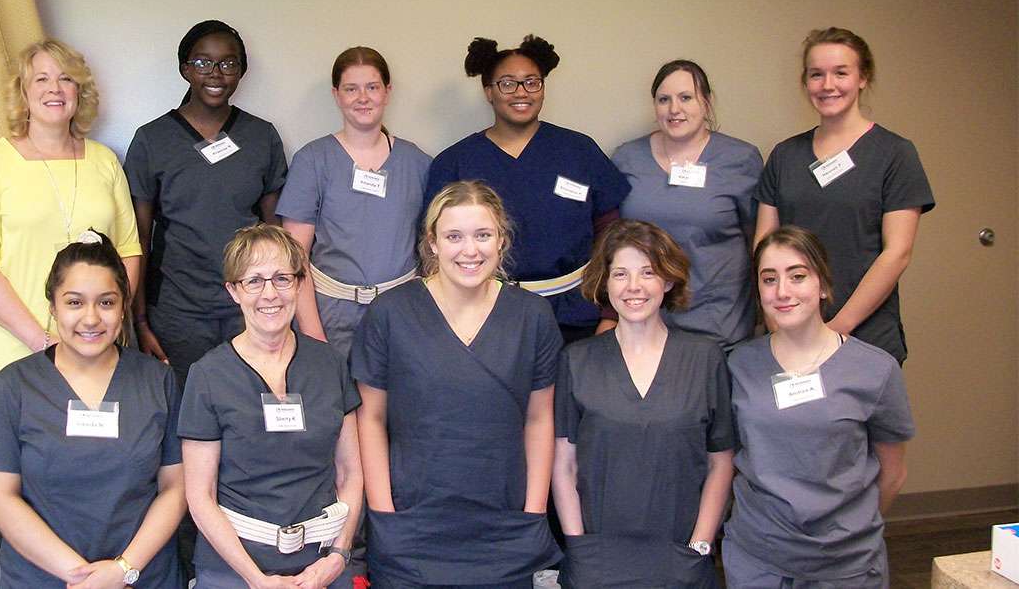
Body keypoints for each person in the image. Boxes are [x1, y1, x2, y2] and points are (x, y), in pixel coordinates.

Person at [353, 180, 562, 588]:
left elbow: (539, 419)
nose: (470, 250)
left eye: (483, 235)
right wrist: (383, 512)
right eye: (454, 236)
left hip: (506, 528)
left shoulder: (532, 317)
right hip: (412, 528)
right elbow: (371, 418)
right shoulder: (391, 314)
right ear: (431, 243)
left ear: (501, 240)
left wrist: (534, 510)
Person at [0, 230, 184, 588]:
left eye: (106, 302)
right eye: (74, 303)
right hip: (44, 578)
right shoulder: (14, 386)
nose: (90, 318)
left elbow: (176, 488)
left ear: (123, 306)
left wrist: (121, 570)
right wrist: (81, 576)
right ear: (52, 307)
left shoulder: (158, 381)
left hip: (141, 576)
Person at [723, 226, 913, 587]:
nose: (782, 291)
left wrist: (847, 531)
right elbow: (725, 460)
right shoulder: (738, 366)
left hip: (845, 564)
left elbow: (893, 473)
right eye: (769, 279)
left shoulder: (875, 370)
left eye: (798, 276)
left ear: (823, 285)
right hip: (759, 558)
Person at [178, 224, 362, 589]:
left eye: (282, 278)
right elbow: (200, 495)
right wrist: (257, 580)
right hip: (235, 567)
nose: (270, 294)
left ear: (299, 283)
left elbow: (350, 473)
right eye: (254, 281)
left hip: (322, 562)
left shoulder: (330, 365)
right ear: (233, 291)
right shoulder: (208, 375)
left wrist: (338, 557)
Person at [552, 220, 733, 588]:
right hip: (597, 558)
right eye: (620, 273)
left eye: (647, 272)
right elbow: (564, 464)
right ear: (605, 283)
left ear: (668, 281)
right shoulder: (577, 360)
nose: (633, 286)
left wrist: (700, 544)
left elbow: (721, 462)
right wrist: (578, 545)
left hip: (680, 555)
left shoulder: (705, 358)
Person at [0, 39, 142, 399]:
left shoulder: (104, 161)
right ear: (23, 93)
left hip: (96, 350)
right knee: (24, 456)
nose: (54, 89)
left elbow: (129, 251)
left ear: (79, 91)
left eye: (65, 79)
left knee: (96, 454)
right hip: (11, 353)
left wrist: (107, 326)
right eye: (41, 79)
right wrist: (45, 343)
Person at [425, 35, 630, 343]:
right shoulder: (456, 162)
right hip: (485, 316)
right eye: (508, 83)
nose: (521, 92)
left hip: (576, 315)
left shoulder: (579, 151)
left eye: (532, 82)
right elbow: (434, 252)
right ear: (488, 92)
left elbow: (613, 235)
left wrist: (611, 314)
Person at [754, 27, 935, 364]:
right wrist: (775, 320)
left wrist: (837, 329)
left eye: (841, 73)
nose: (828, 85)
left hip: (863, 335)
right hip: (789, 333)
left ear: (863, 77)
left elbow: (897, 253)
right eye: (816, 74)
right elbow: (764, 244)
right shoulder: (785, 155)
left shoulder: (894, 154)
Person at [124, 19, 288, 387]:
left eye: (228, 63)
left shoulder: (261, 136)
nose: (216, 73)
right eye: (203, 63)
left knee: (248, 406)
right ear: (185, 68)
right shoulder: (153, 140)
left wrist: (278, 305)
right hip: (178, 312)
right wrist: (140, 321)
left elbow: (277, 234)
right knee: (187, 412)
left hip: (248, 306)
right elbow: (137, 240)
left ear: (242, 71)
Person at [278, 46, 431, 359]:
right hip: (330, 315)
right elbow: (295, 260)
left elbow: (434, 252)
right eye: (351, 89)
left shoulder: (417, 163)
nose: (363, 98)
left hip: (401, 313)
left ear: (387, 92)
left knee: (395, 406)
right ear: (336, 95)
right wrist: (314, 337)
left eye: (372, 87)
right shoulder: (312, 162)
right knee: (338, 404)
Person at [610, 60, 762, 350]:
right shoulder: (627, 158)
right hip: (645, 324)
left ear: (706, 101)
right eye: (664, 100)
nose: (674, 109)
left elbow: (758, 240)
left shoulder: (740, 160)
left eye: (685, 98)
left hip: (719, 326)